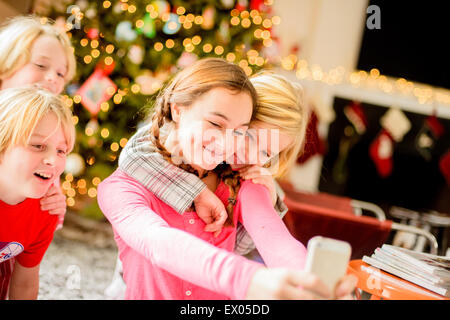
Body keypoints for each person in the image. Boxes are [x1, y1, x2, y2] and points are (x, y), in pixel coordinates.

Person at [98, 58, 356, 299]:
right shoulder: (125, 183)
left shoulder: (246, 182)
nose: (247, 154)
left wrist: (315, 282)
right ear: (178, 111)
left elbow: (277, 242)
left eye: (266, 152)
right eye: (248, 137)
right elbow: (161, 243)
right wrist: (251, 279)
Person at [0, 15, 77, 227]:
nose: (53, 77)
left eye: (61, 74)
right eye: (41, 66)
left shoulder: (47, 128)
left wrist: (55, 203)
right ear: (6, 63)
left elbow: (47, 186)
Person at [0, 87, 75, 299]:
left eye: (61, 150)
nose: (52, 159)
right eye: (38, 145)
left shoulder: (46, 210)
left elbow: (25, 283)